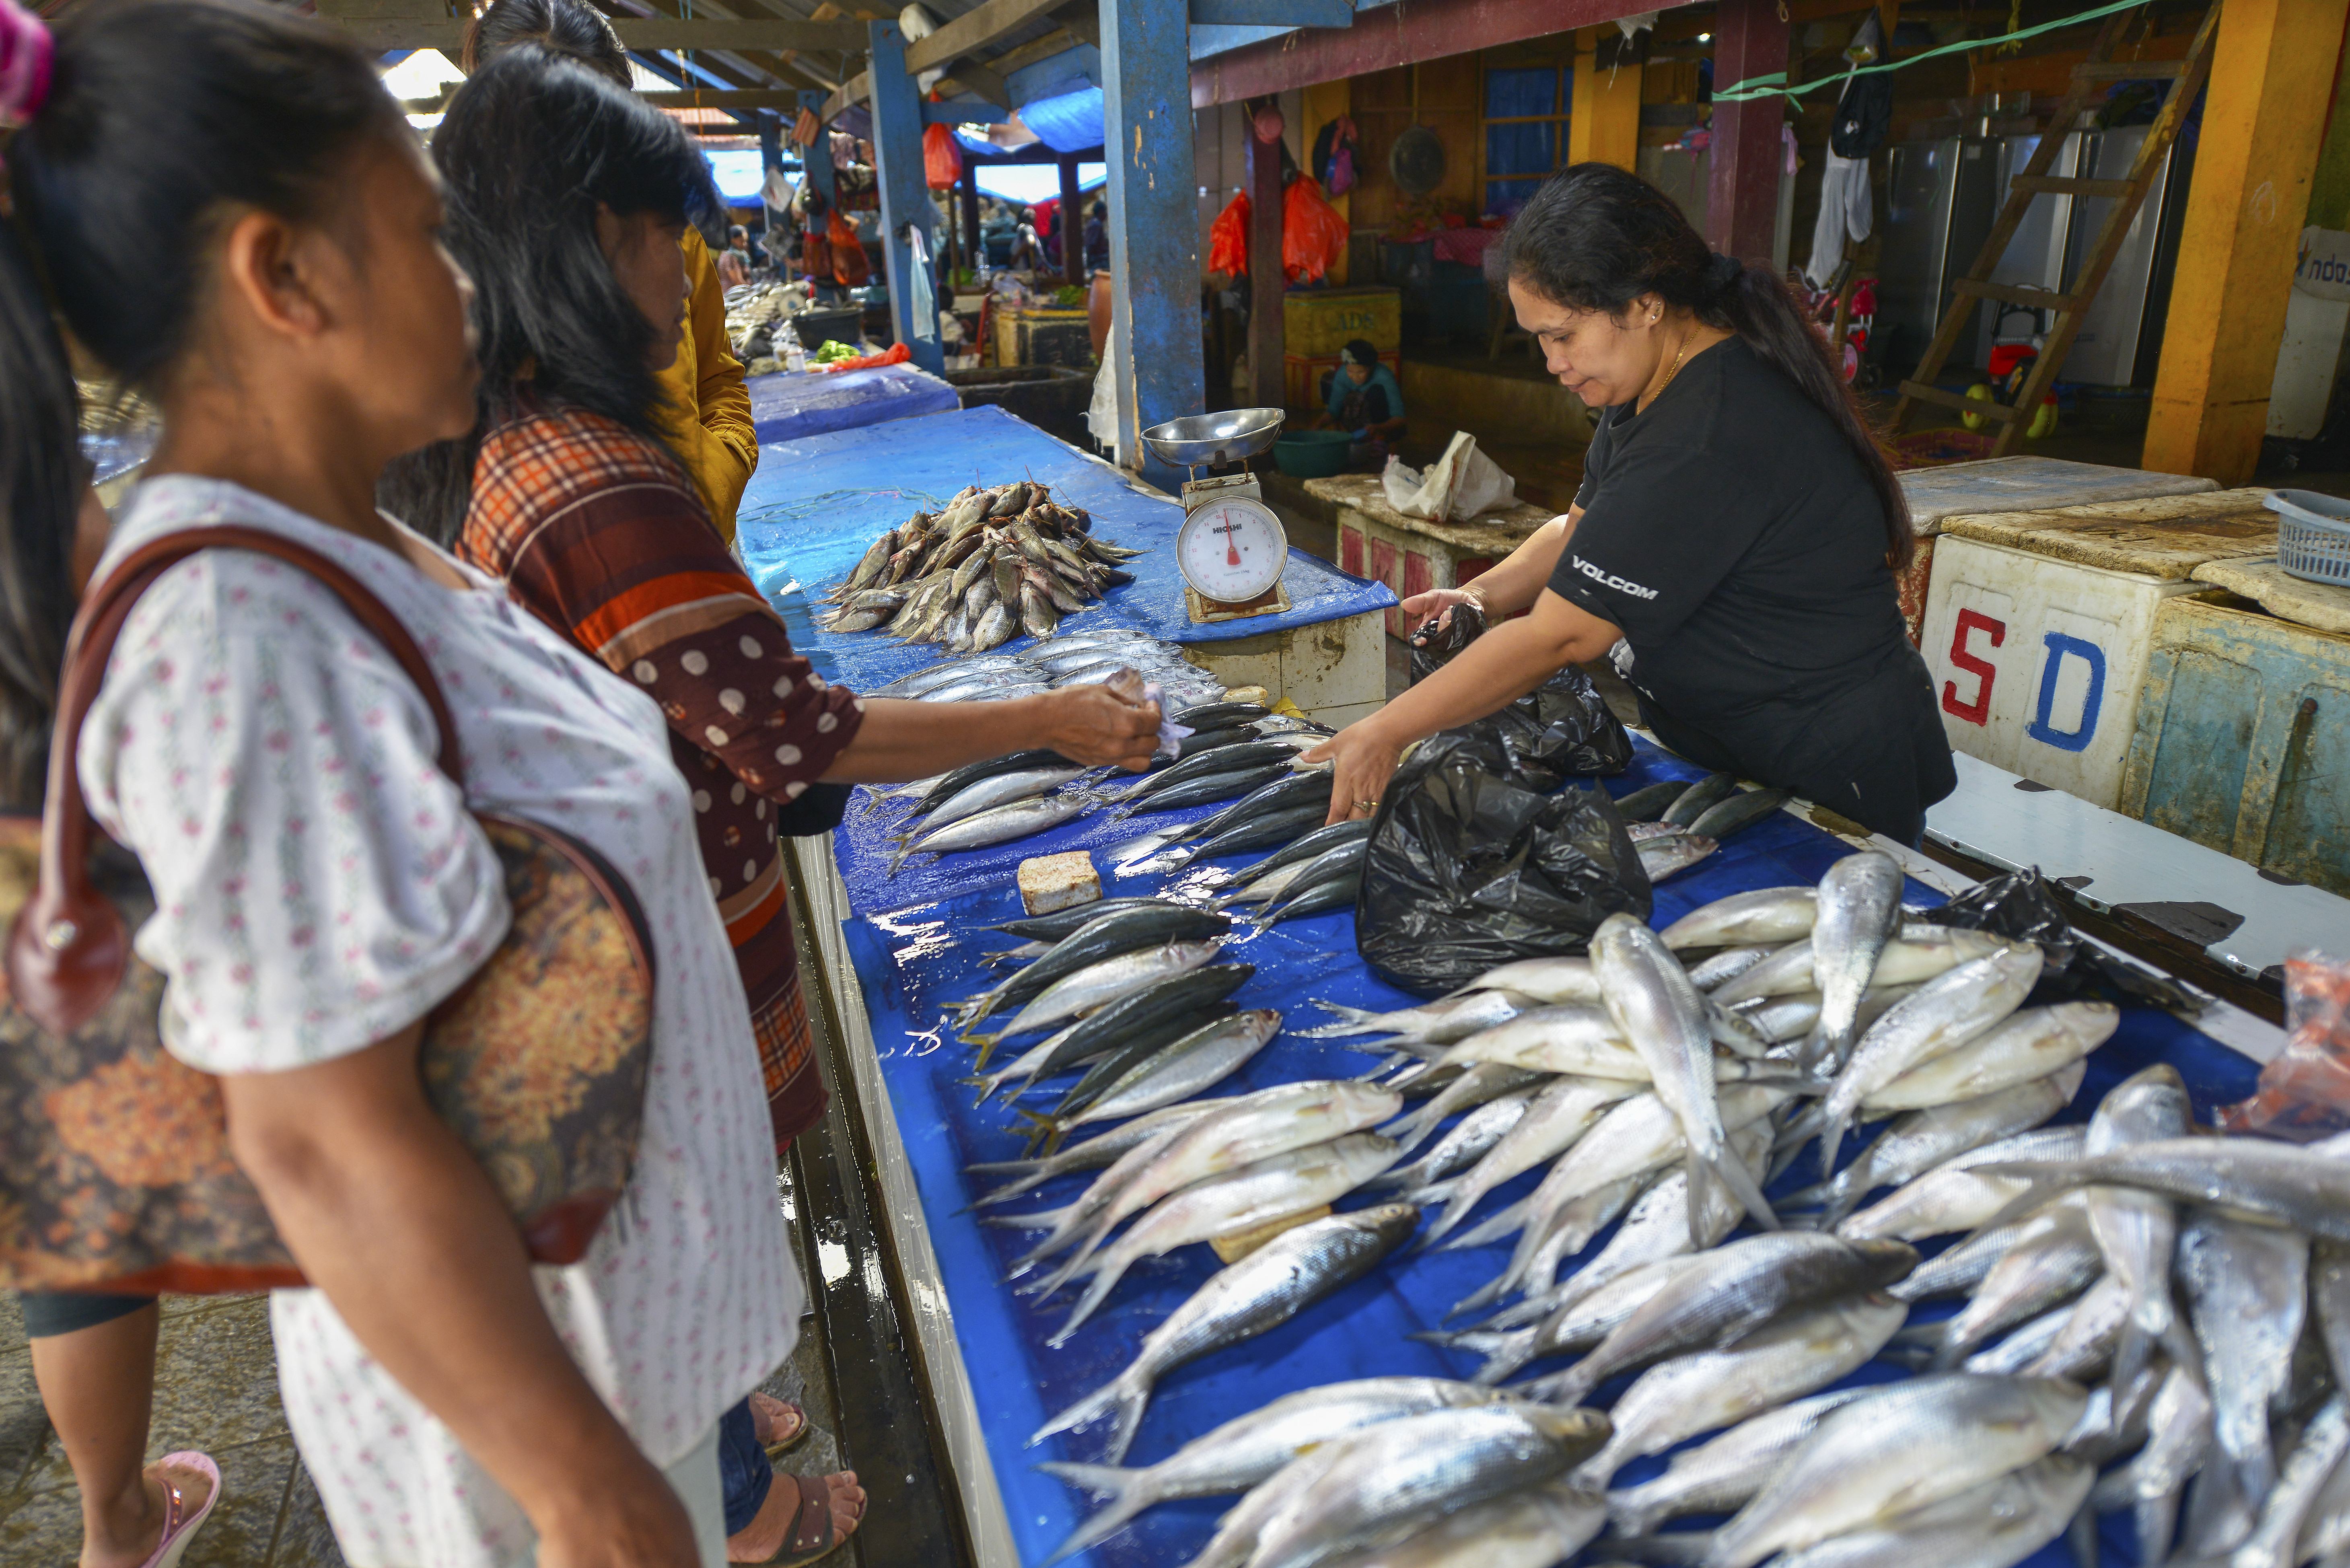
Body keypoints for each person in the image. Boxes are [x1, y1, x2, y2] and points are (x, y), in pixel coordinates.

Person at [2, 2, 813, 1563]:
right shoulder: (238, 635)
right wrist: (588, 1491)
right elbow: (323, 1136)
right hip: (535, 1459)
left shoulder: (340, 538)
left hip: (609, 1371)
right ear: (284, 276)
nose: (469, 283)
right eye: (428, 237)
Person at [386, 46, 1161, 1564]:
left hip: (579, 949)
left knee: (672, 1245)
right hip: (641, 970)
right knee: (681, 1227)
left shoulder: (500, 432)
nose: (688, 269)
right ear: (595, 240)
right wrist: (1057, 717)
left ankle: (731, 1439)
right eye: (669, 233)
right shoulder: (597, 478)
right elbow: (797, 740)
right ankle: (736, 1506)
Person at [1304, 163, 1954, 846]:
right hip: (1733, 744)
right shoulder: (1645, 382)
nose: (1553, 363)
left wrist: (1388, 728)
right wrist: (1480, 598)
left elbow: (1563, 633)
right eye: (1539, 340)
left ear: (1645, 303)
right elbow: (1580, 531)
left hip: (1824, 766)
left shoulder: (1709, 433)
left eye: (1562, 335)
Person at [463, 0, 759, 541]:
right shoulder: (456, 267)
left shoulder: (672, 240)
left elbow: (718, 380)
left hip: (698, 538)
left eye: (592, 123)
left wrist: (716, 476)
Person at [1314, 340, 1405, 470]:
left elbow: (1400, 418)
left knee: (1376, 393)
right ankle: (1351, 440)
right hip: (1358, 429)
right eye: (1351, 371)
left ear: (1371, 368)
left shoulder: (1384, 377)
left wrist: (1379, 427)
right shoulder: (1342, 375)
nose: (1355, 377)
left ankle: (1381, 441)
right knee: (1331, 385)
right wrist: (1317, 426)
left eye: (1361, 372)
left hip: (1381, 426)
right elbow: (1333, 410)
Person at [718, 224, 754, 288]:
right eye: (742, 241)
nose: (745, 244)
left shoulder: (736, 253)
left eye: (746, 242)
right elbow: (737, 281)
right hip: (734, 293)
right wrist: (749, 291)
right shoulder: (730, 256)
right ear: (733, 240)